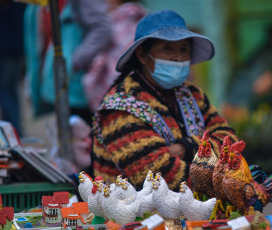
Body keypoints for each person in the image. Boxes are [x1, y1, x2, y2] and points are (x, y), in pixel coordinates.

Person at [91, 9, 238, 191]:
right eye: (167, 48)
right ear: (143, 55)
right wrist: (222, 176)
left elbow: (230, 142)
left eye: (184, 49)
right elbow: (159, 177)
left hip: (194, 210)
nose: (178, 57)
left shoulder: (192, 94)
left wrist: (185, 147)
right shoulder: (121, 107)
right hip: (132, 216)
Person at [24, 0, 112, 126]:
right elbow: (38, 42)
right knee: (68, 132)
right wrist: (32, 80)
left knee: (85, 134)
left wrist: (74, 62)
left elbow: (103, 29)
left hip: (79, 85)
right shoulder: (36, 6)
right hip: (55, 82)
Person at [82, 0, 147, 112]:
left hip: (114, 87)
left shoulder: (115, 22)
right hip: (140, 89)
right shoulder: (143, 19)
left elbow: (104, 60)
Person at [0, 0, 26, 136]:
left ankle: (13, 130)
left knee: (6, 91)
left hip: (9, 49)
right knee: (9, 91)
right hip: (14, 48)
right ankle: (13, 129)